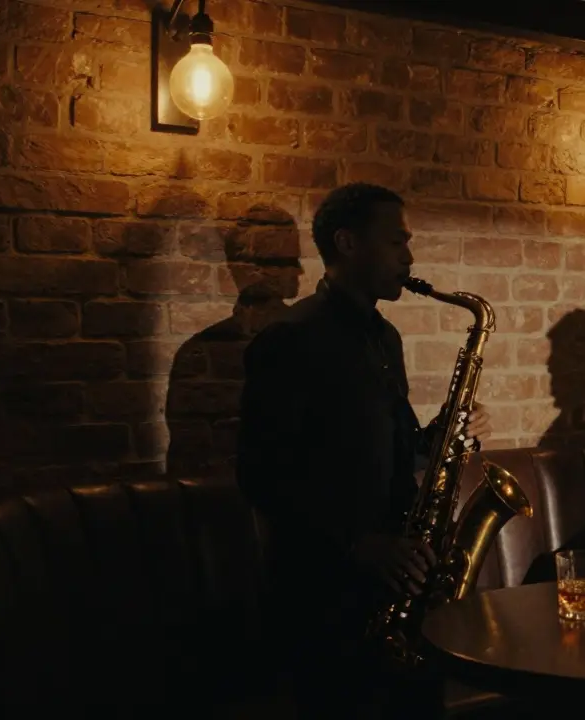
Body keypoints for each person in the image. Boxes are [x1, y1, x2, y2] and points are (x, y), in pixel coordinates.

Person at [236, 183, 493, 718]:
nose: (410, 256)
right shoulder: (290, 338)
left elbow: (392, 452)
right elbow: (260, 476)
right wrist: (360, 545)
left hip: (394, 588)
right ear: (348, 243)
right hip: (326, 601)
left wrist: (443, 438)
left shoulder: (385, 337)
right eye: (397, 242)